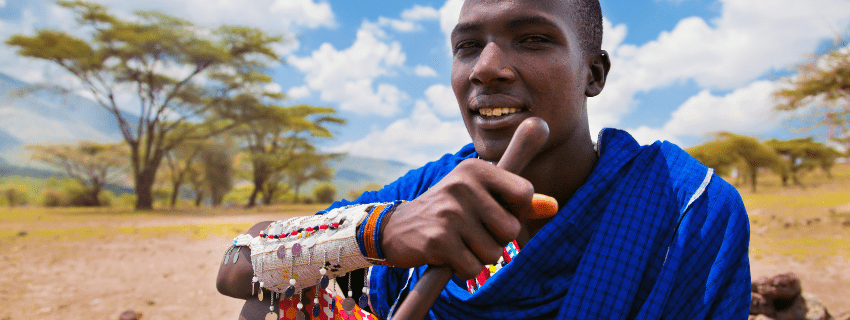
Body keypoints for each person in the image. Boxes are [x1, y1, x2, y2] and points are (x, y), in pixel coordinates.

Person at [217, 0, 752, 318]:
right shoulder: (429, 189)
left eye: (534, 39)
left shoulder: (687, 206)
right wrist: (381, 231)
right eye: (468, 47)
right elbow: (238, 268)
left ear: (593, 74)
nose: (487, 68)